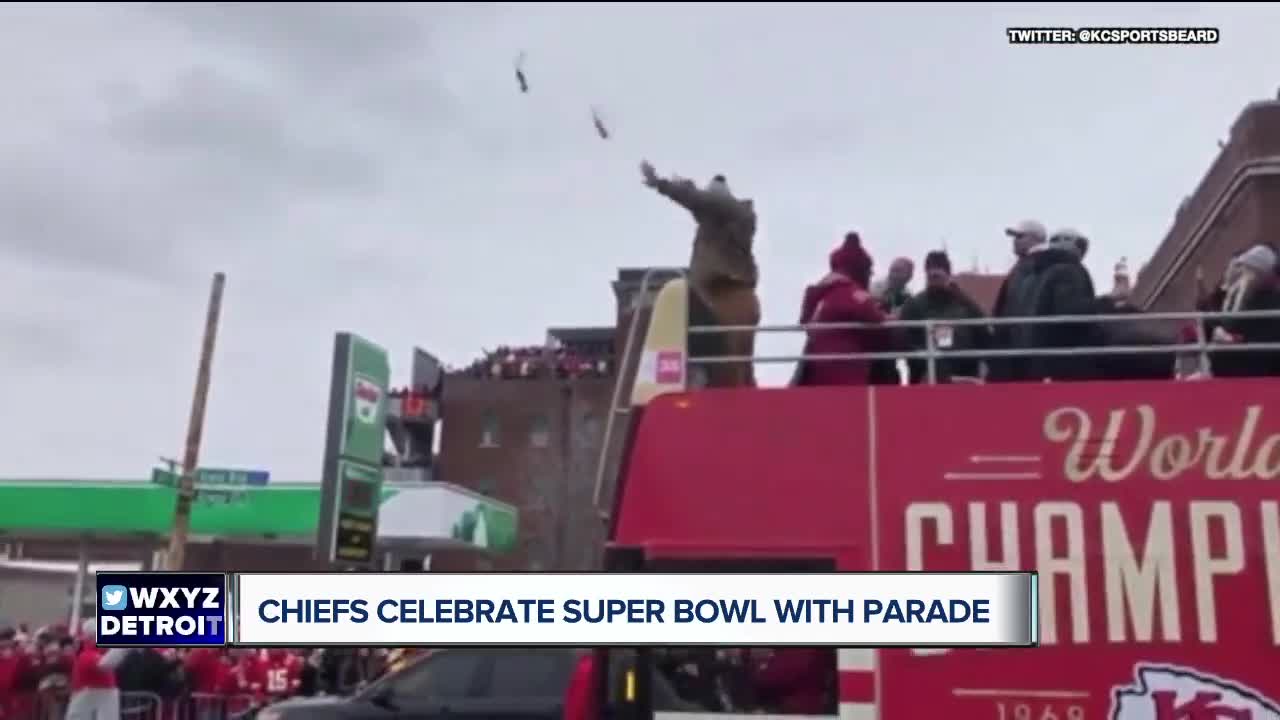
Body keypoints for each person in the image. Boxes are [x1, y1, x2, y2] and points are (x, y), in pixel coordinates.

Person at [640, 160, 760, 388]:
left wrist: (663, 185)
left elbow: (701, 201)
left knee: (730, 363)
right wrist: (684, 186)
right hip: (721, 291)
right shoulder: (721, 221)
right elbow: (700, 203)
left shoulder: (731, 213)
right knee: (736, 362)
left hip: (725, 292)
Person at [794, 233, 887, 386]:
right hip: (845, 371)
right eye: (868, 270)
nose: (870, 275)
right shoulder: (849, 292)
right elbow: (876, 318)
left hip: (816, 368)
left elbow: (805, 320)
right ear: (859, 269)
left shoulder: (822, 292)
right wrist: (894, 316)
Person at [897, 250, 992, 383]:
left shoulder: (966, 303)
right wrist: (924, 359)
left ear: (948, 276)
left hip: (966, 376)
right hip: (927, 377)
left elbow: (984, 335)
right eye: (931, 277)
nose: (934, 280)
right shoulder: (914, 305)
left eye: (938, 276)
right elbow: (902, 339)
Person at [1021, 229, 1100, 381]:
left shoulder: (1037, 272)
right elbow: (1071, 312)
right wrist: (1109, 302)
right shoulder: (1069, 271)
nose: (1083, 252)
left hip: (1038, 361)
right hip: (1067, 362)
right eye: (1081, 246)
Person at [1210, 244, 1280, 377]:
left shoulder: (1272, 301)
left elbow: (1264, 339)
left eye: (1250, 269)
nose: (1245, 274)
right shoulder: (1244, 296)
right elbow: (1229, 324)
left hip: (1260, 368)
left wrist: (1235, 340)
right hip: (1239, 365)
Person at [990, 219, 1048, 381]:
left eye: (1019, 236)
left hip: (1025, 349)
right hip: (1016, 345)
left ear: (1035, 239)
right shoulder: (1021, 268)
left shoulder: (1035, 266)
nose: (1014, 241)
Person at [65, 619, 132, 720]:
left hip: (95, 706)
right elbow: (106, 664)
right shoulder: (87, 656)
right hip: (87, 707)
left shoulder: (97, 654)